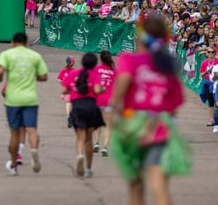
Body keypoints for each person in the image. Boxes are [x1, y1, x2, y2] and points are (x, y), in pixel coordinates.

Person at [110, 12, 187, 205]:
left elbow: (123, 83)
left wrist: (114, 105)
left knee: (135, 183)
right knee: (159, 183)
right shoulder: (168, 65)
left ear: (140, 37)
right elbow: (175, 104)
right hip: (161, 126)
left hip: (133, 125)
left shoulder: (130, 59)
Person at [0, 32, 48, 176]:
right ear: (26, 42)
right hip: (30, 98)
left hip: (13, 100)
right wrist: (31, 75)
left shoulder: (7, 55)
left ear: (13, 42)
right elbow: (44, 77)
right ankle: (34, 150)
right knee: (32, 129)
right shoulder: (34, 56)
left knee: (14, 133)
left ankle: (13, 164)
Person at [61, 52, 104, 177]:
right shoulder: (95, 74)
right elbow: (96, 90)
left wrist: (73, 89)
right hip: (91, 106)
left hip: (77, 106)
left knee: (80, 137)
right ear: (95, 64)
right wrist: (102, 90)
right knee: (89, 139)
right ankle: (89, 167)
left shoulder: (74, 73)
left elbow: (64, 90)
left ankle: (80, 155)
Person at [93, 50, 116, 156]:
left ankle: (96, 143)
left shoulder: (96, 69)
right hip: (109, 101)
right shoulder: (114, 71)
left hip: (97, 100)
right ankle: (105, 147)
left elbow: (93, 84)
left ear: (101, 59)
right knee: (107, 126)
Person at [57, 56, 76, 128]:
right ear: (73, 63)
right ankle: (72, 116)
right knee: (74, 103)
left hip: (66, 90)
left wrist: (63, 84)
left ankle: (68, 116)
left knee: (68, 102)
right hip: (73, 89)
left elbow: (59, 79)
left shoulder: (63, 70)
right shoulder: (74, 70)